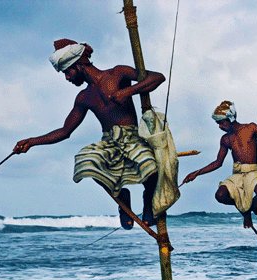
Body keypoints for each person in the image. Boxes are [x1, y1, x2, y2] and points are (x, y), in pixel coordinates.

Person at [13, 39, 166, 230]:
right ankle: (121, 198)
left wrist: (128, 91)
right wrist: (31, 141)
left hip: (133, 137)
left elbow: (157, 77)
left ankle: (148, 204)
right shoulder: (84, 97)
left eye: (67, 72)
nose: (67, 78)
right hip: (109, 142)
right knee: (85, 160)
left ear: (78, 65)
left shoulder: (117, 73)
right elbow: (65, 131)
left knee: (150, 165)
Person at [182, 100, 257, 229]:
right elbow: (218, 163)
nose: (220, 126)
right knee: (220, 196)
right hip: (237, 174)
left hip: (252, 172)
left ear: (231, 118)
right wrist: (196, 173)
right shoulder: (225, 139)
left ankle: (252, 208)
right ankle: (245, 212)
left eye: (221, 122)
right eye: (218, 123)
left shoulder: (251, 128)